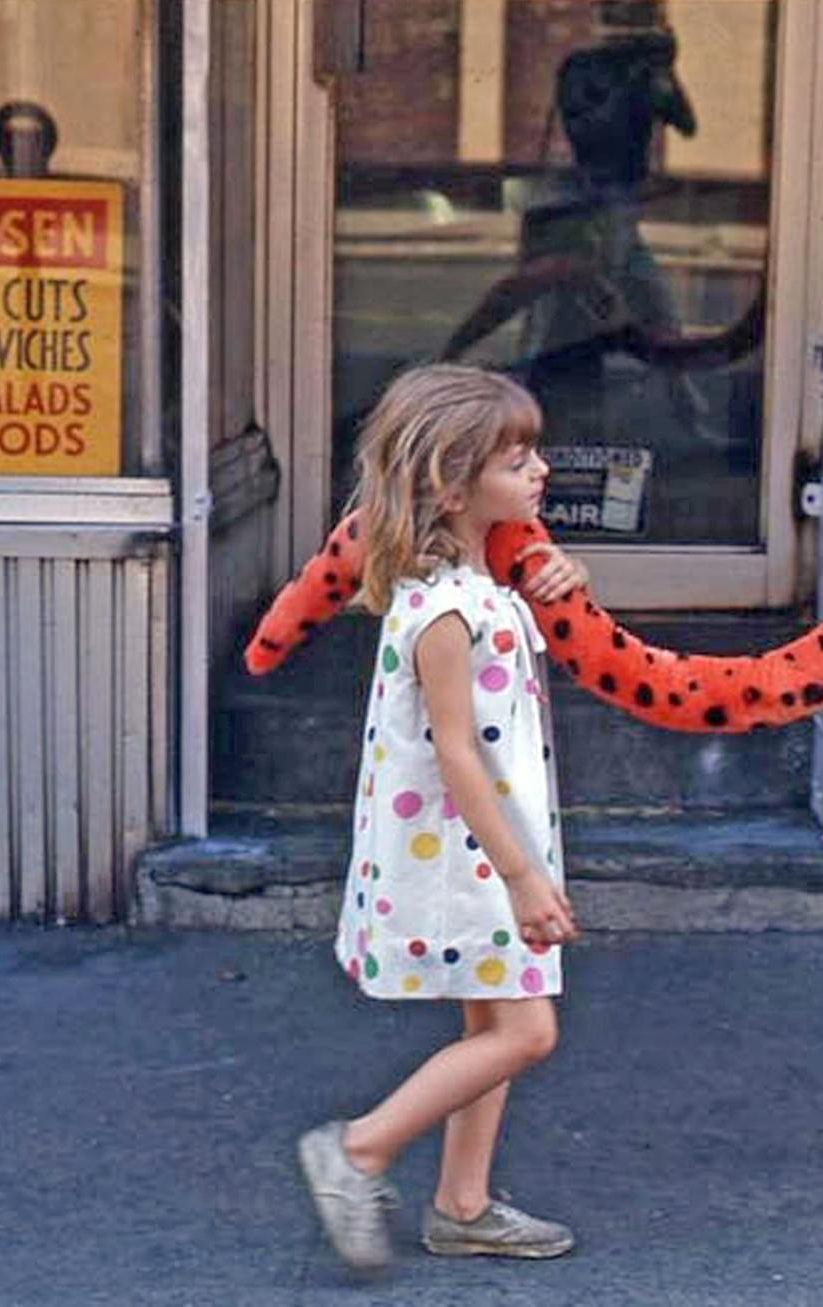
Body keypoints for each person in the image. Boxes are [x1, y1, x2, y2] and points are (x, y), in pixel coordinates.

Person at [297, 364, 591, 1272]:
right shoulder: (444, 611)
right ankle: (358, 1150)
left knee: (489, 1025)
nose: (538, 470)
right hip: (474, 853)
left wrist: (555, 580)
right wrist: (522, 875)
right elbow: (457, 752)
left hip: (485, 845)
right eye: (517, 458)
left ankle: (463, 1203)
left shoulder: (474, 585)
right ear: (451, 484)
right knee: (525, 1031)